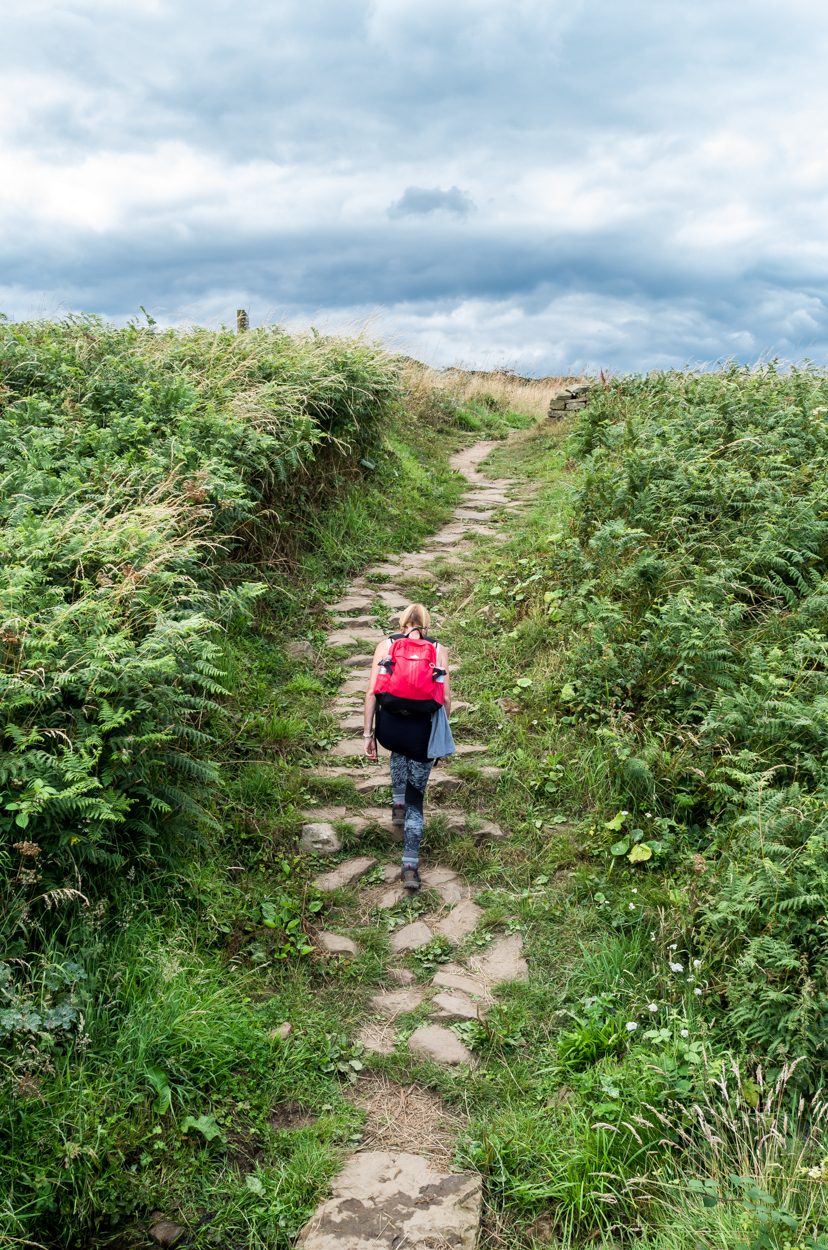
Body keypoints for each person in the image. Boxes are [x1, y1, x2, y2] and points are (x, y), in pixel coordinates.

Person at [363, 604, 451, 891]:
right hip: (421, 733)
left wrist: (368, 735)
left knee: (397, 750)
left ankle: (397, 804)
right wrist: (440, 735)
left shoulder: (387, 645)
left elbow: (372, 691)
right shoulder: (438, 650)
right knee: (418, 799)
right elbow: (446, 699)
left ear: (401, 623)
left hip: (390, 729)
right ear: (428, 625)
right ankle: (410, 865)